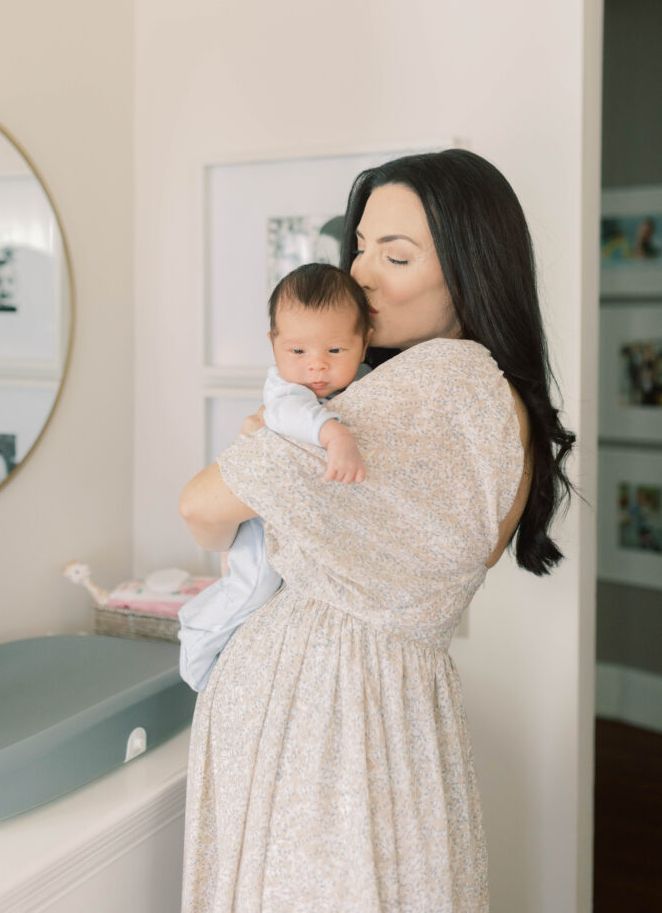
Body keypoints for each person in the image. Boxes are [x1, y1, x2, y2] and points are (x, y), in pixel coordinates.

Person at [179, 149, 576, 912]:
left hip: (325, 720)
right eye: (359, 246)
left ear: (470, 269)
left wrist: (278, 433)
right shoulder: (499, 402)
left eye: (395, 255)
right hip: (397, 712)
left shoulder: (435, 382)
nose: (361, 274)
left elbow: (200, 507)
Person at [178, 263, 373, 692]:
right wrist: (334, 433)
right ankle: (197, 644)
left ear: (364, 342)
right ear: (274, 345)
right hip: (260, 528)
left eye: (335, 352)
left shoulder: (366, 386)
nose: (316, 367)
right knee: (252, 588)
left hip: (297, 525)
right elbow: (290, 416)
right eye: (298, 352)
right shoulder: (287, 391)